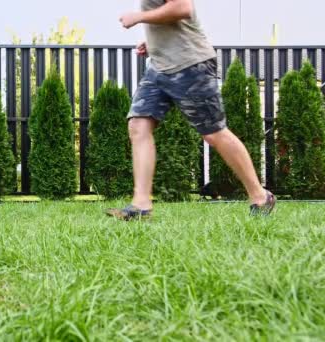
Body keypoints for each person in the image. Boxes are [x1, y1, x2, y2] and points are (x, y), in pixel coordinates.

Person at [106, 0, 275, 220]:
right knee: (138, 124)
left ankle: (260, 196)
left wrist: (139, 17)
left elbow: (183, 7)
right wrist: (155, 42)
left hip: (191, 66)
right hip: (159, 67)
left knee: (214, 133)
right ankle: (141, 205)